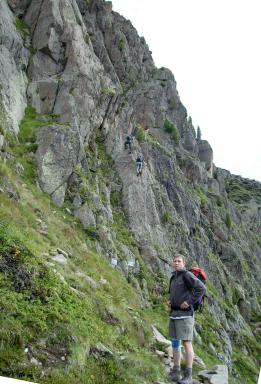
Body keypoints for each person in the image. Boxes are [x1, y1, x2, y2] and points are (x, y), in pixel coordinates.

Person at [168, 254, 206, 383]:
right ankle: (176, 371)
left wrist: (189, 302)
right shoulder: (173, 277)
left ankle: (188, 375)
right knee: (175, 342)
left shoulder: (187, 275)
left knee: (186, 343)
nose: (176, 263)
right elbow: (174, 293)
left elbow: (201, 288)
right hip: (174, 314)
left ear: (184, 263)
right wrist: (170, 301)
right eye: (175, 261)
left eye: (179, 261)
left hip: (185, 315)